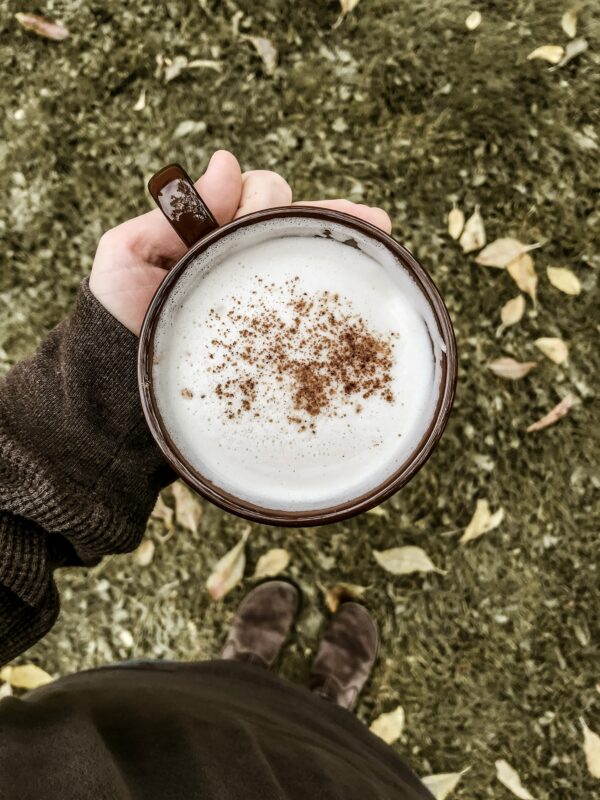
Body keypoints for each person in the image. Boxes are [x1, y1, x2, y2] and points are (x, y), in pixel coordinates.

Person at [0, 151, 433, 799]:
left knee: (213, 706)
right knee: (320, 764)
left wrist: (81, 420)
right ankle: (319, 709)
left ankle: (247, 676)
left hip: (131, 726)